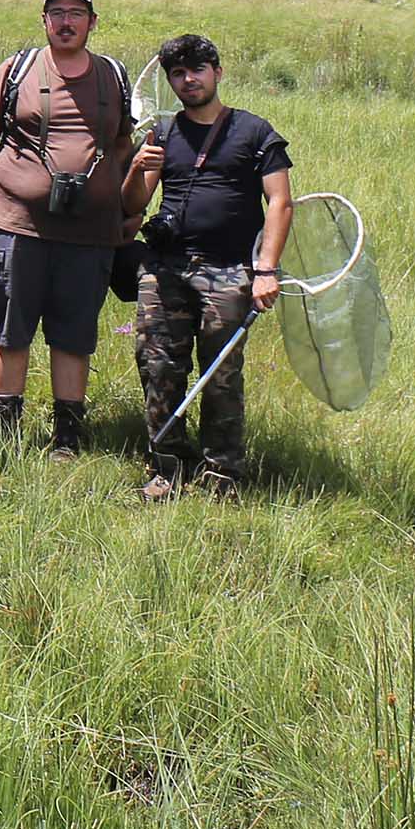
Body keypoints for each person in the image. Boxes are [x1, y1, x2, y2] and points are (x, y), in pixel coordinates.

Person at [0, 0, 137, 457]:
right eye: (56, 12)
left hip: (90, 233)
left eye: (76, 13)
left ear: (92, 22)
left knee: (75, 333)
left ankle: (67, 437)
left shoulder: (113, 76)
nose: (65, 21)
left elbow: (123, 145)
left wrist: (124, 206)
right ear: (44, 21)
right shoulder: (16, 70)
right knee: (11, 327)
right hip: (18, 224)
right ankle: (7, 434)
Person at [121, 34, 293, 502]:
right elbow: (133, 205)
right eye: (178, 73)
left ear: (217, 72)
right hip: (166, 270)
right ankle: (167, 468)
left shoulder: (255, 132)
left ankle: (223, 476)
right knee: (158, 367)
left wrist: (266, 269)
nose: (188, 79)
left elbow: (280, 202)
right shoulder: (164, 134)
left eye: (197, 69)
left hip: (231, 272)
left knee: (219, 376)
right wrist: (138, 170)